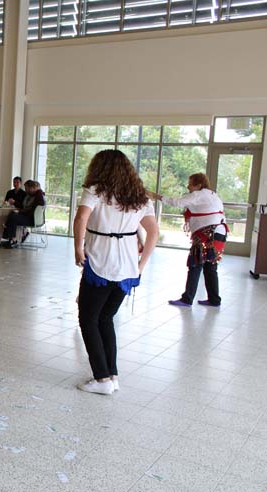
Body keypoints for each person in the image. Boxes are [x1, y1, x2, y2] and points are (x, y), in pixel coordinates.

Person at [73, 149, 158, 395]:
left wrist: (78, 248)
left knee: (88, 319)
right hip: (127, 266)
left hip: (100, 262)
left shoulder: (95, 190)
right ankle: (111, 374)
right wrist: (141, 265)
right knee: (105, 318)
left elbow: (81, 219)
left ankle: (101, 379)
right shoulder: (139, 196)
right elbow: (154, 232)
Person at [148, 173, 226, 307]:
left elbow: (177, 202)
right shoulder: (212, 195)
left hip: (206, 233)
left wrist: (156, 196)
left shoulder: (198, 195)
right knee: (210, 266)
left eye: (190, 184)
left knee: (195, 264)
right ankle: (214, 299)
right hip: (219, 232)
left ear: (198, 185)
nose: (188, 186)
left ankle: (187, 299)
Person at [2, 180, 46, 246]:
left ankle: (12, 240)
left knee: (13, 217)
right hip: (29, 217)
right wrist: (15, 202)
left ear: (32, 188)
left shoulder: (38, 195)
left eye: (27, 188)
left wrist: (20, 211)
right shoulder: (30, 195)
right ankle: (11, 238)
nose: (26, 190)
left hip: (32, 219)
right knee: (12, 215)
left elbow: (32, 210)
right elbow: (23, 206)